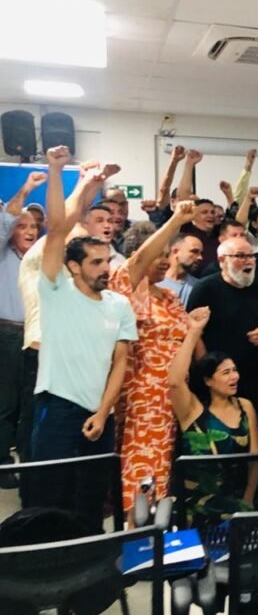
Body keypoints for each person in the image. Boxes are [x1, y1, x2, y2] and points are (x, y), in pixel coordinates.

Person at [30, 147, 138, 525]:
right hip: (57, 409)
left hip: (99, 415)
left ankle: (91, 558)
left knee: (91, 500)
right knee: (49, 498)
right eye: (96, 262)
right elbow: (58, 227)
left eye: (107, 260)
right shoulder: (56, 289)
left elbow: (120, 363)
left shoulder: (119, 305)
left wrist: (104, 412)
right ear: (73, 267)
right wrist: (56, 171)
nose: (106, 268)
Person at [109, 204, 196, 513]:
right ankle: (138, 533)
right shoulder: (128, 290)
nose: (165, 261)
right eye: (159, 255)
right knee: (143, 470)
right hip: (143, 400)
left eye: (168, 255)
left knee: (168, 472)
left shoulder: (170, 297)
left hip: (176, 397)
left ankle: (161, 531)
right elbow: (138, 261)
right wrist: (175, 221)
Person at [186, 205, 258, 410]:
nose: (249, 261)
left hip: (248, 373)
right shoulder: (205, 289)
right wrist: (209, 369)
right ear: (222, 261)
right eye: (241, 256)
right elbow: (193, 334)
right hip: (214, 377)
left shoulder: (256, 286)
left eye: (251, 256)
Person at [169, 308, 258, 526]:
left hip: (236, 504)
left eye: (235, 370)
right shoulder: (192, 410)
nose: (234, 377)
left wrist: (248, 499)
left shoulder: (245, 406)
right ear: (208, 381)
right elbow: (174, 382)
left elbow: (255, 458)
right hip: (197, 507)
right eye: (226, 373)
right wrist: (194, 332)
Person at [0, 171, 45, 473]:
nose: (29, 231)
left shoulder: (43, 259)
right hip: (7, 334)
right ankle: (3, 462)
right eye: (22, 226)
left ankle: (28, 461)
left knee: (31, 402)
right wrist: (27, 188)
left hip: (37, 336)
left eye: (34, 226)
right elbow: (6, 218)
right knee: (6, 403)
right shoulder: (2, 254)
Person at [158, 232, 204, 304]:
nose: (200, 257)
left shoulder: (198, 287)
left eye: (201, 253)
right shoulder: (154, 281)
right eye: (194, 251)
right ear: (175, 251)